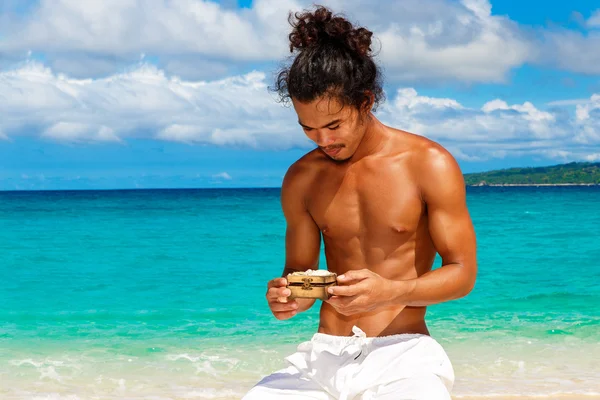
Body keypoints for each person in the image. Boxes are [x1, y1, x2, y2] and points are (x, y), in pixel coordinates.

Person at [243, 5, 477, 400]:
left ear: (365, 102)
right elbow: (300, 275)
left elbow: (462, 274)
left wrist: (389, 291)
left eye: (333, 125)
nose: (323, 141)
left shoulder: (428, 163)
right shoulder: (302, 177)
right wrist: (289, 298)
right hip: (321, 358)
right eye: (309, 129)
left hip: (403, 356)